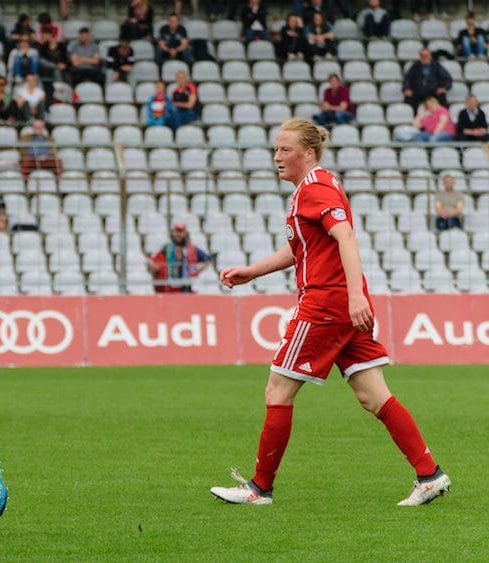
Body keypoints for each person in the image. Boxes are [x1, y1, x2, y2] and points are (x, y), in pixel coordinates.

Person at [210, 118, 451, 507]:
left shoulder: (315, 188)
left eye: (285, 149)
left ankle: (259, 489)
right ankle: (429, 475)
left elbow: (346, 237)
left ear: (308, 153)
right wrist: (252, 271)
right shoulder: (316, 186)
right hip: (344, 305)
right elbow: (304, 249)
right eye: (275, 149)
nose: (277, 157)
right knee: (373, 396)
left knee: (278, 390)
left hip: (326, 304)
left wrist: (354, 296)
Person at [146, 223, 213, 293]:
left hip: (186, 288)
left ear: (185, 233)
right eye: (177, 231)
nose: (178, 234)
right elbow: (156, 264)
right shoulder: (166, 249)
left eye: (181, 232)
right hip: (169, 289)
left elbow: (209, 259)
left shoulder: (192, 249)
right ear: (173, 232)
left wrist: (197, 270)